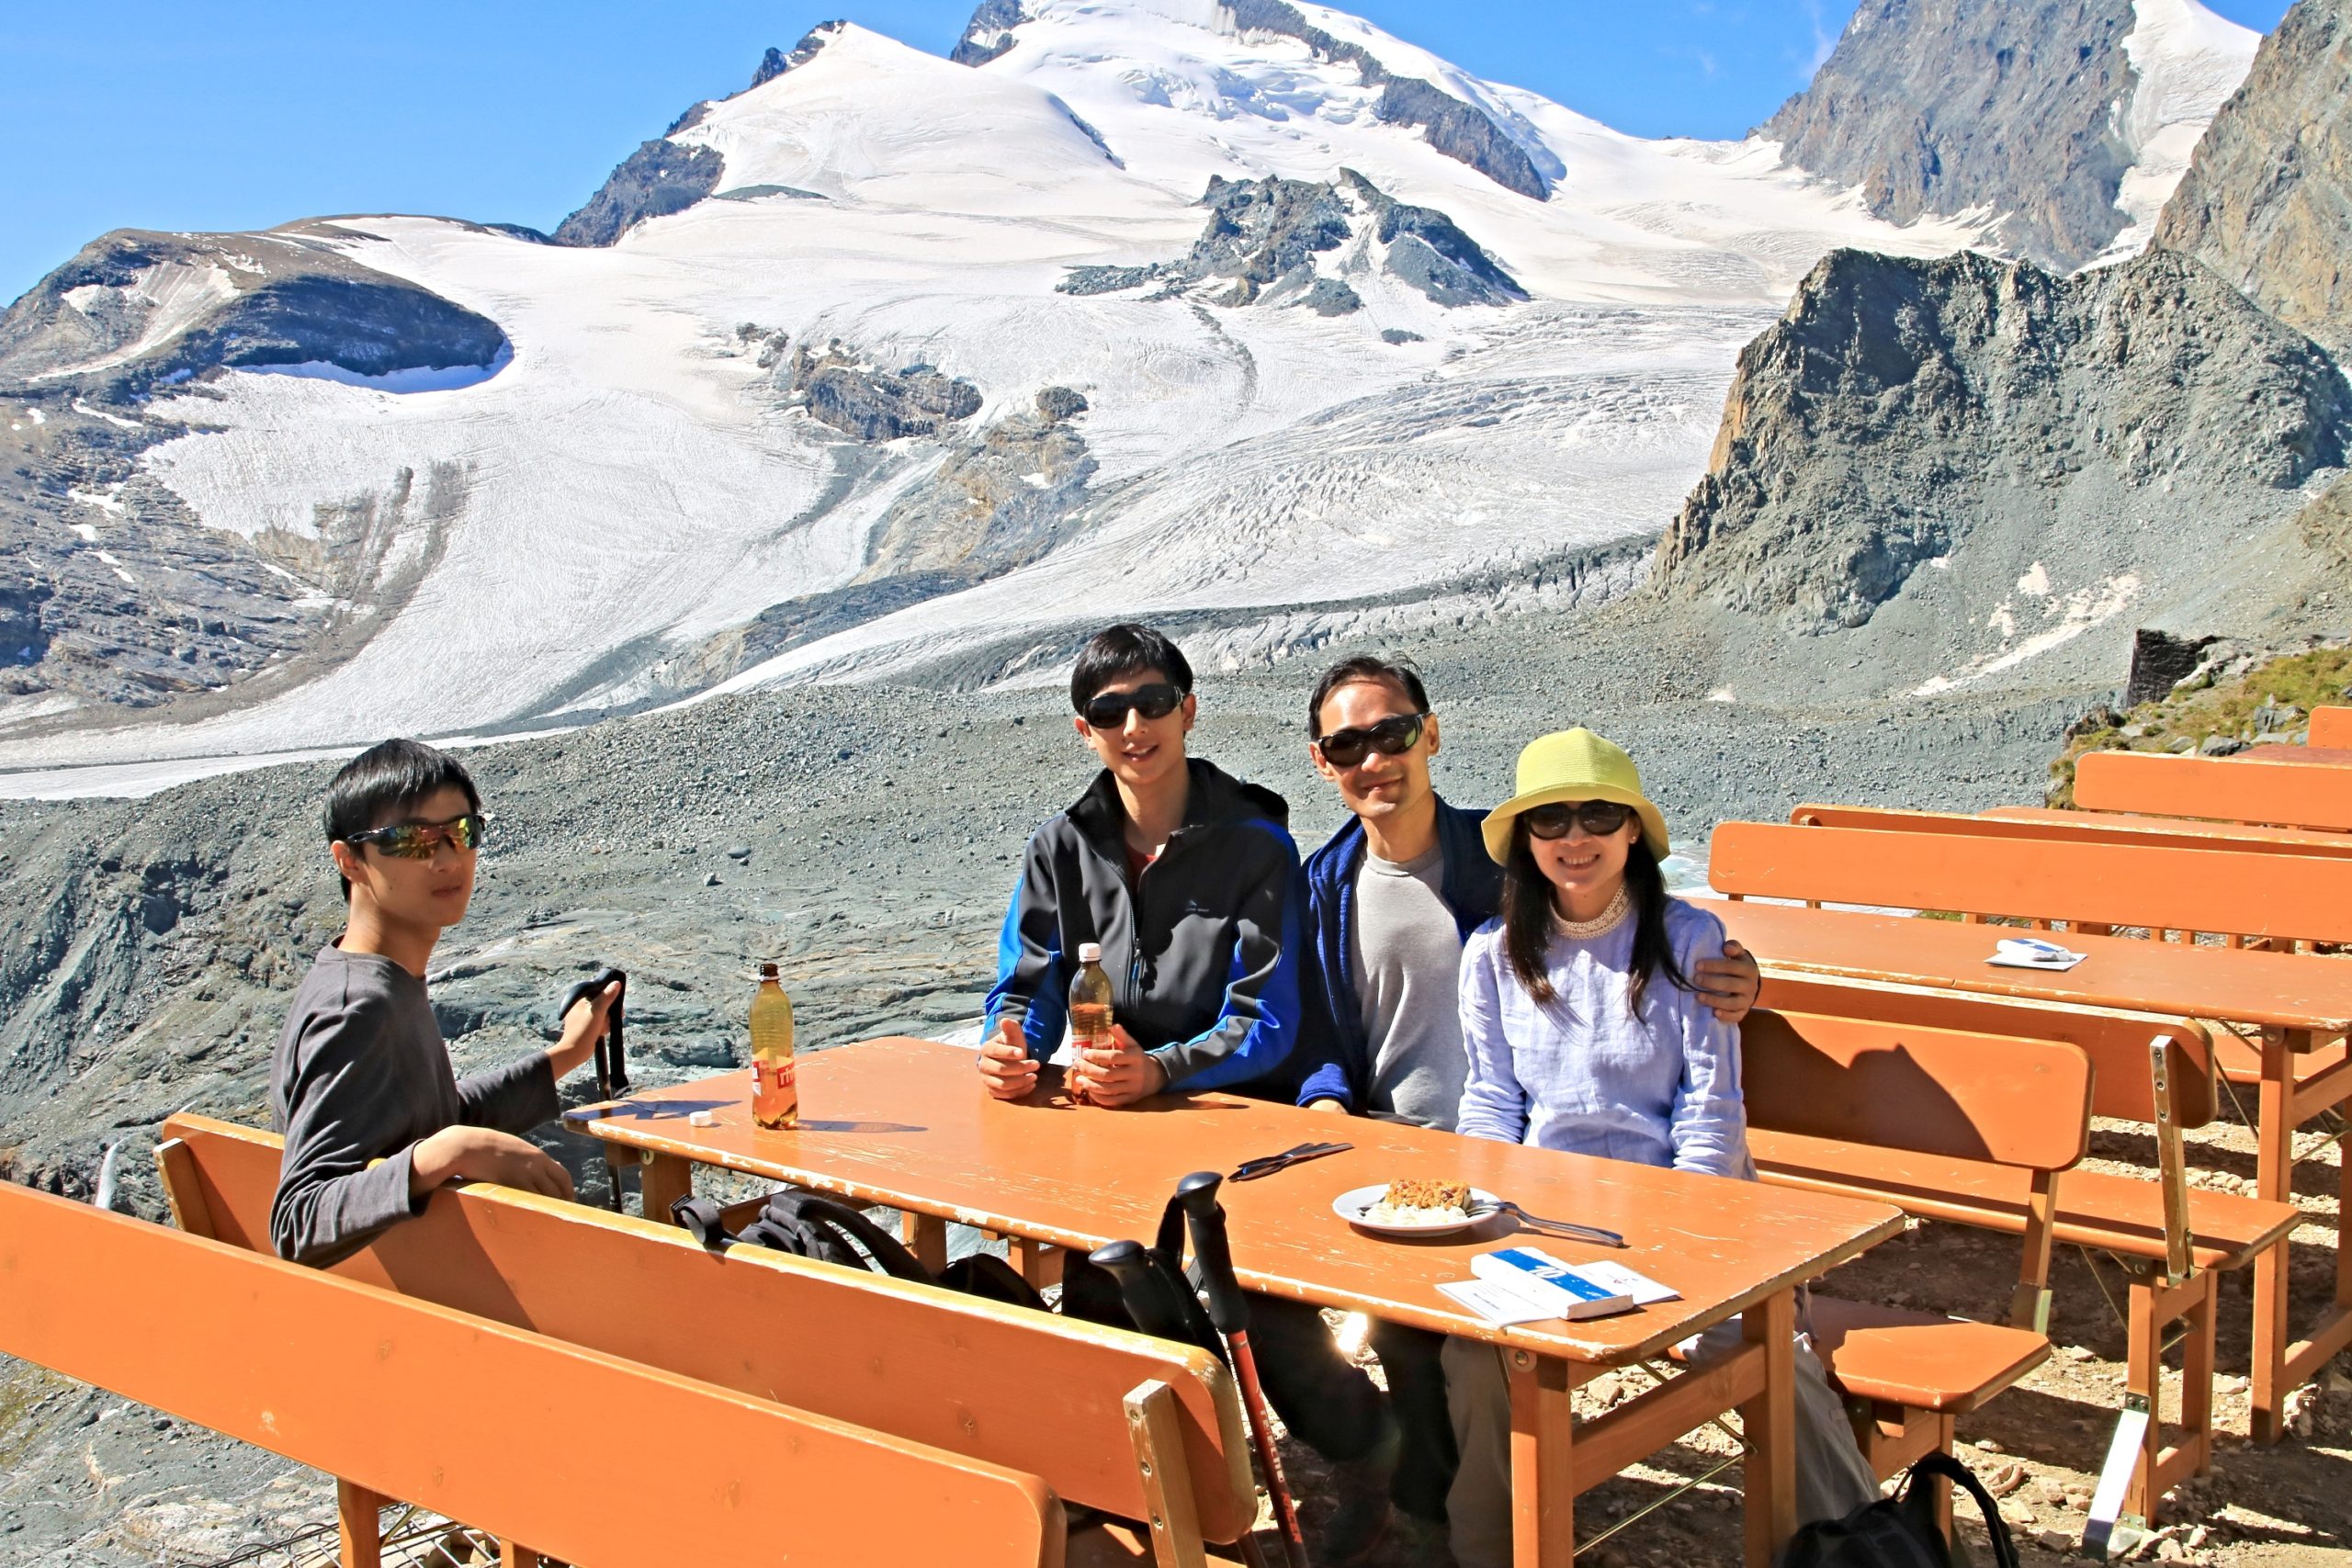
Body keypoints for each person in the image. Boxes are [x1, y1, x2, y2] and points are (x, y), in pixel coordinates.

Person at [1277, 657, 1762, 1565]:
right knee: (1267, 1295)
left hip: (1506, 1172)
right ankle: (1395, 1479)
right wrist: (1332, 1103)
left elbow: (1635, 960)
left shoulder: (1500, 864)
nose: (1373, 758)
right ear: (1322, 762)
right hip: (1403, 1156)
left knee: (1438, 1347)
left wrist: (1744, 981)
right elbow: (1318, 1030)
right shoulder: (1325, 883)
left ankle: (1435, 1510)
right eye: (1348, 744)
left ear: (1430, 734)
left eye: (1390, 733)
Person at [1441, 728, 1879, 1568]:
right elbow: (1492, 1099)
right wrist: (1483, 1209)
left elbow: (1710, 1113)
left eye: (1598, 813)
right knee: (1474, 1352)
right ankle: (1494, 1552)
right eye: (1550, 819)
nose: (1575, 837)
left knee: (1765, 1355)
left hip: (1686, 1218)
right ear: (1524, 840)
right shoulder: (1490, 956)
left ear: (1633, 829)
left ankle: (1857, 1548)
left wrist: (1685, 1241)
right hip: (1545, 1223)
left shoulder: (1690, 941)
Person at [269, 739, 620, 1268]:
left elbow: (438, 1114)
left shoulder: (373, 978)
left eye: (462, 832)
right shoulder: (358, 1009)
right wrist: (449, 1152)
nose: (446, 858)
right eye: (411, 840)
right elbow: (298, 1220)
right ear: (349, 861)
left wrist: (568, 1053)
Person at [976, 622, 1300, 1103]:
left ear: (1187, 711)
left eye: (1153, 703)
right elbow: (1027, 986)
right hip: (1108, 1101)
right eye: (1108, 712)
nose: (1133, 727)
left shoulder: (1257, 848)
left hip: (1231, 1107)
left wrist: (1160, 1069)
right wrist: (1010, 1048)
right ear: (1086, 731)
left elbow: (1262, 1015)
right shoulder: (1059, 850)